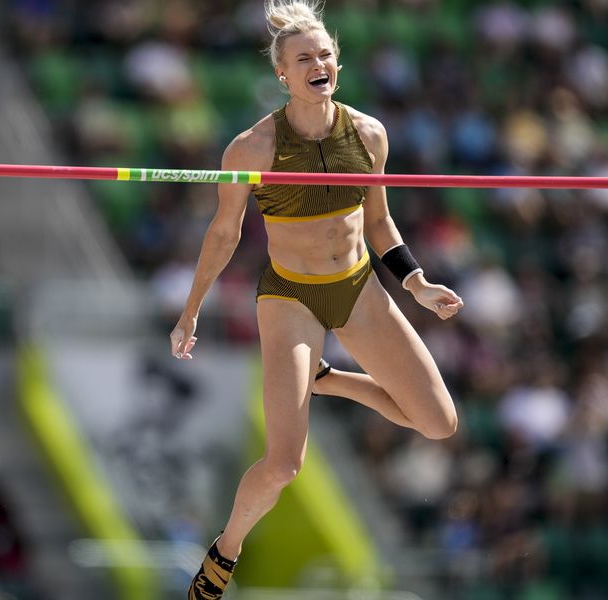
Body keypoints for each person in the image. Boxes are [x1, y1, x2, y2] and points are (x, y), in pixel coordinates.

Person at [170, 1, 463, 597]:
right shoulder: (250, 149)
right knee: (283, 465)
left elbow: (379, 222)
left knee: (437, 423)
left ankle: (326, 378)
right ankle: (224, 552)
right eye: (304, 57)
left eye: (325, 53)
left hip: (357, 287)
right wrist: (191, 308)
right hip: (290, 299)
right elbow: (224, 234)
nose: (318, 63)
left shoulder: (369, 134)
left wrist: (416, 284)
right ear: (283, 73)